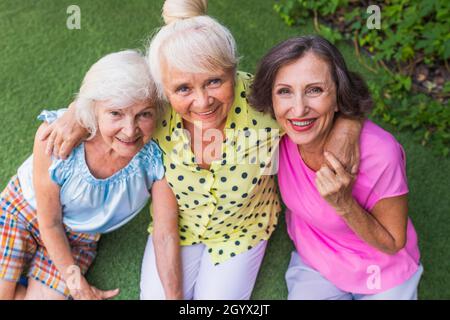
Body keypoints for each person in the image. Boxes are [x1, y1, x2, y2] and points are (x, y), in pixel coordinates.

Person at [38, 0, 362, 300]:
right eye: (183, 88)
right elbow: (109, 94)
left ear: (233, 71)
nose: (202, 101)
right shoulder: (154, 108)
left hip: (243, 230)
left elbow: (334, 98)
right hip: (180, 227)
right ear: (163, 88)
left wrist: (348, 126)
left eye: (214, 81)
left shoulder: (262, 100)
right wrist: (75, 115)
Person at [249, 35, 422, 300]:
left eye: (314, 90)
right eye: (284, 91)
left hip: (383, 270)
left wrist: (344, 204)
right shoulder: (276, 133)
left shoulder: (380, 154)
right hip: (317, 264)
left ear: (339, 96)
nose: (298, 109)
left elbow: (393, 243)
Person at [0, 50, 177, 300]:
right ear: (93, 109)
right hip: (21, 212)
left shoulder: (156, 158)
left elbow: (165, 231)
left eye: (144, 114)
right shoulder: (57, 137)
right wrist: (76, 284)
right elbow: (49, 222)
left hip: (78, 238)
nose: (130, 130)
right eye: (116, 113)